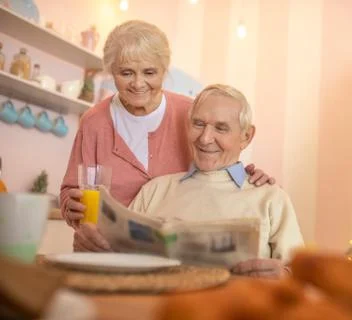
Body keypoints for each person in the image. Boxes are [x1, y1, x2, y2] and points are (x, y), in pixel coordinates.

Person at [60, 20, 273, 233]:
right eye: (126, 73)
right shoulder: (94, 122)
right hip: (102, 248)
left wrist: (249, 176)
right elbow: (71, 190)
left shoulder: (190, 113)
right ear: (111, 72)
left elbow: (218, 167)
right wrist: (72, 207)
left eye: (149, 72)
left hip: (170, 253)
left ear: (164, 70)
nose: (138, 83)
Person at [74, 84, 304, 278]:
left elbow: (304, 279)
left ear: (246, 136)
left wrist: (285, 275)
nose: (205, 138)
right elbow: (117, 264)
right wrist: (92, 247)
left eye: (221, 128)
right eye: (198, 124)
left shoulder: (271, 197)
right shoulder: (154, 189)